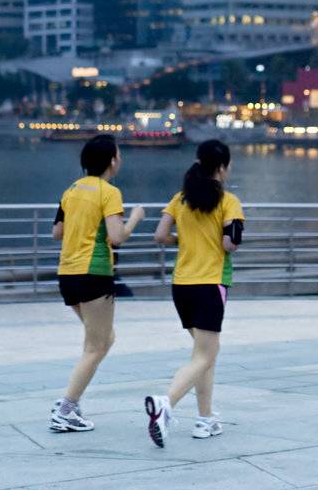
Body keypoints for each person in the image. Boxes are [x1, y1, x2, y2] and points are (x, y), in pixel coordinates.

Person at [144, 139, 244, 447]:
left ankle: (205, 419)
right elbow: (230, 243)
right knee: (206, 354)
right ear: (223, 167)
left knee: (203, 354)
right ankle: (167, 403)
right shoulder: (228, 201)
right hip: (210, 283)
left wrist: (185, 241)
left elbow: (160, 235)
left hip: (182, 285)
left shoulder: (180, 199)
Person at [49, 134, 145, 432]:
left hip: (68, 274)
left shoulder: (71, 191)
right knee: (97, 345)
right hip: (94, 273)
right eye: (118, 154)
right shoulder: (108, 192)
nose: (121, 159)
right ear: (111, 161)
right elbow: (116, 237)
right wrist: (135, 219)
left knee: (102, 341)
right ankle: (66, 407)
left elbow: (57, 232)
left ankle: (70, 405)